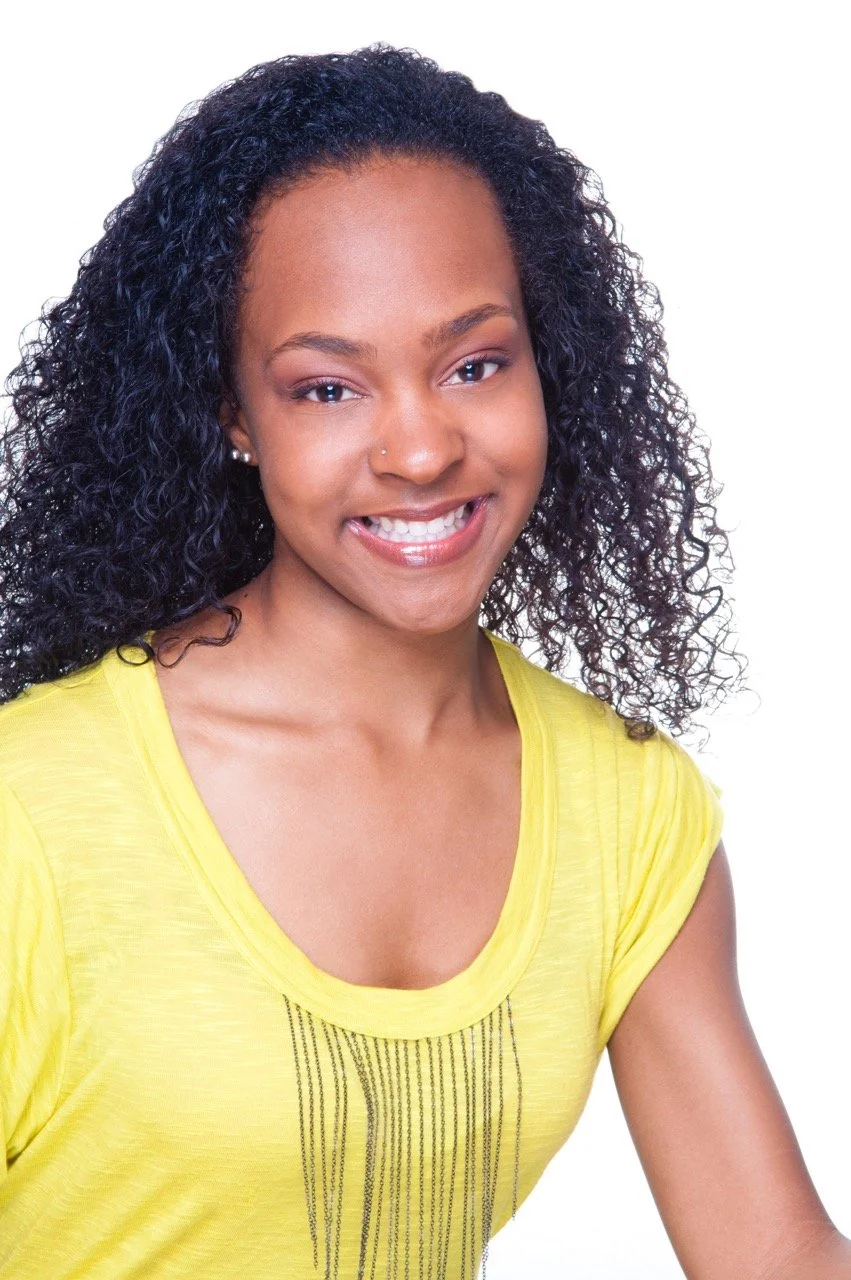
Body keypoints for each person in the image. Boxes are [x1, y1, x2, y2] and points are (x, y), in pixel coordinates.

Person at [0, 43, 847, 1280]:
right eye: (328, 388)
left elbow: (772, 1255)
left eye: (473, 364)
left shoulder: (627, 810)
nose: (416, 448)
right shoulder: (31, 807)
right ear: (233, 412)